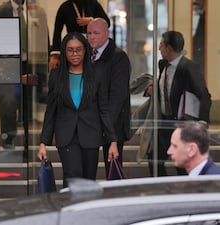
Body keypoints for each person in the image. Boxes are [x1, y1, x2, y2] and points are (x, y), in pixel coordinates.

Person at [37, 32, 118, 188]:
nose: (75, 54)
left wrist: (112, 140)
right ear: (64, 52)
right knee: (72, 176)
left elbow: (104, 109)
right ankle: (70, 211)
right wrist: (43, 142)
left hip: (91, 134)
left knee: (88, 180)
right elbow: (51, 111)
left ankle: (85, 211)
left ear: (85, 50)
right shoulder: (56, 76)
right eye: (70, 50)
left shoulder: (97, 74)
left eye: (79, 49)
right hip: (66, 136)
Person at [145, 30, 211, 176]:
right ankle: (161, 188)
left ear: (169, 48)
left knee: (182, 163)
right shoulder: (163, 65)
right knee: (154, 158)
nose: (159, 49)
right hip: (163, 122)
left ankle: (184, 191)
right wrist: (151, 90)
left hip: (181, 123)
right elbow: (164, 88)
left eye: (161, 45)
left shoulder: (189, 68)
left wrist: (202, 122)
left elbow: (204, 95)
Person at [87, 18, 131, 178]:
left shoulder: (118, 57)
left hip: (113, 124)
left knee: (113, 172)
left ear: (107, 34)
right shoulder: (88, 55)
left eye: (96, 33)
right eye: (89, 33)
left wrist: (107, 127)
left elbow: (118, 97)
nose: (92, 37)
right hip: (91, 121)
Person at [0, 0, 27, 149]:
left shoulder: (34, 11)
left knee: (27, 101)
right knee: (7, 102)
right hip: (5, 63)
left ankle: (29, 140)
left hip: (28, 64)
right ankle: (9, 136)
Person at [49, 0, 110, 70]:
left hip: (92, 46)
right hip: (72, 46)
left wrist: (92, 20)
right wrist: (55, 55)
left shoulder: (93, 4)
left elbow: (107, 23)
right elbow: (57, 31)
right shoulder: (65, 6)